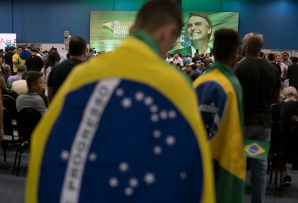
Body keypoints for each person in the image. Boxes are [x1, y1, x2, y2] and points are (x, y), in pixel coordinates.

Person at [26, 1, 215, 203]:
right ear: (167, 33)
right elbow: (195, 170)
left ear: (133, 29)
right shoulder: (177, 86)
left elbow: (45, 141)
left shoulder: (83, 75)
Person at [193, 29, 245, 203]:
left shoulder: (199, 81)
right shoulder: (231, 85)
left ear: (213, 52)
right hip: (224, 165)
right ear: (236, 53)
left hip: (197, 161)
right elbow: (233, 132)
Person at [234, 33, 280, 203]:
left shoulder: (239, 67)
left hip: (243, 124)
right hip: (263, 125)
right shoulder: (272, 69)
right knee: (259, 167)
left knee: (238, 165)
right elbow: (275, 97)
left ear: (246, 47)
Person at [47, 36, 87, 103]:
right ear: (85, 51)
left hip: (60, 109)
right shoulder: (88, 70)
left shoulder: (55, 69)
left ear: (69, 51)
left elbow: (50, 95)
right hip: (81, 111)